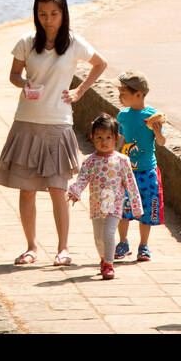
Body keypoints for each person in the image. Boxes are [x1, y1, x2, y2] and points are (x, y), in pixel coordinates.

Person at [0, 0, 107, 266]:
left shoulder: (74, 43)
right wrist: (24, 84)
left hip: (58, 123)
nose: (48, 19)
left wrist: (79, 92)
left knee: (59, 189)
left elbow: (100, 64)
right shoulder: (25, 42)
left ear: (63, 12)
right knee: (27, 188)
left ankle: (63, 249)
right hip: (26, 122)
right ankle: (31, 247)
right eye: (42, 13)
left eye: (54, 13)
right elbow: (13, 75)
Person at [67, 115, 142, 281]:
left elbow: (131, 184)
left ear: (117, 138)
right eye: (99, 137)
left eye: (109, 137)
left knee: (108, 233)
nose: (104, 141)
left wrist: (137, 207)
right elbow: (82, 179)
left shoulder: (122, 160)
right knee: (99, 237)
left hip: (114, 206)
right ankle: (103, 258)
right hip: (96, 206)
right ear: (92, 137)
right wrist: (75, 192)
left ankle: (109, 264)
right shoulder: (90, 161)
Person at [114, 71, 166, 264]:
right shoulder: (123, 115)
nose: (120, 97)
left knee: (146, 208)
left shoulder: (152, 116)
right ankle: (123, 242)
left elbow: (161, 142)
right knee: (122, 208)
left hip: (147, 170)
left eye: (123, 93)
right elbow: (121, 139)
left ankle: (143, 245)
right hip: (127, 171)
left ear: (138, 94)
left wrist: (158, 131)